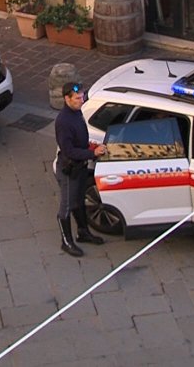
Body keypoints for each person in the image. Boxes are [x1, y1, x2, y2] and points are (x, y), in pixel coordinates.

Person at [54, 81, 107, 257]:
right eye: (77, 98)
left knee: (79, 200)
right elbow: (69, 150)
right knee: (67, 206)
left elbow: (79, 141)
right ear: (66, 99)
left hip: (80, 167)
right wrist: (92, 153)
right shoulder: (63, 121)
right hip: (70, 169)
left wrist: (90, 146)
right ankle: (66, 241)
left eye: (82, 96)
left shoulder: (76, 113)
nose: (81, 100)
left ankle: (83, 232)